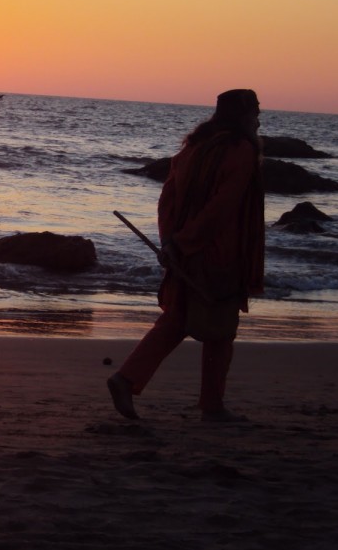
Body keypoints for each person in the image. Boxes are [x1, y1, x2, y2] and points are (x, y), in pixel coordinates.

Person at [108, 89, 265, 422]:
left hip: (184, 249)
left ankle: (126, 379)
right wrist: (183, 243)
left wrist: (170, 242)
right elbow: (222, 208)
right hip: (219, 254)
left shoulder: (193, 148)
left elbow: (167, 199)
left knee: (178, 319)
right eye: (255, 111)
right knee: (220, 331)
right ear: (242, 115)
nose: (258, 118)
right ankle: (212, 405)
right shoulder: (241, 150)